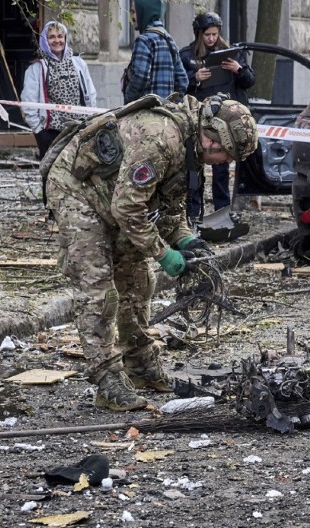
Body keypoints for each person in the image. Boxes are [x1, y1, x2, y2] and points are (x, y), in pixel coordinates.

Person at [44, 93, 257, 412]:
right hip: (78, 192)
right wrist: (165, 254)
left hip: (116, 198)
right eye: (226, 156)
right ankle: (107, 381)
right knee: (98, 288)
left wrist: (187, 241)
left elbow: (166, 208)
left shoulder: (189, 149)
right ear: (211, 139)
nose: (225, 163)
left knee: (139, 280)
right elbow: (129, 209)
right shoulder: (161, 140)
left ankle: (141, 365)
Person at [180, 12, 256, 221]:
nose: (211, 39)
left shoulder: (230, 53)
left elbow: (249, 81)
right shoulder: (187, 55)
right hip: (198, 120)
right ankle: (194, 213)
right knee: (194, 166)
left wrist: (237, 69)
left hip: (224, 121)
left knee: (221, 167)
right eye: (207, 35)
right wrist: (194, 77)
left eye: (214, 34)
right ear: (199, 34)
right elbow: (178, 84)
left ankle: (222, 212)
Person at [21, 20, 97, 161]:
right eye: (52, 37)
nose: (57, 40)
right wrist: (39, 130)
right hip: (50, 132)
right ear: (45, 40)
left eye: (60, 36)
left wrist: (91, 120)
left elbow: (90, 94)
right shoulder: (36, 68)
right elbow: (28, 103)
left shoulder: (79, 64)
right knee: (51, 173)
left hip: (78, 129)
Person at [122, 0, 188, 104]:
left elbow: (140, 77)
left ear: (145, 11)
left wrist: (128, 100)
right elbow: (183, 80)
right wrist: (172, 105)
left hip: (145, 113)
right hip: (165, 116)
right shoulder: (169, 40)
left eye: (134, 12)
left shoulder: (144, 40)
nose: (132, 17)